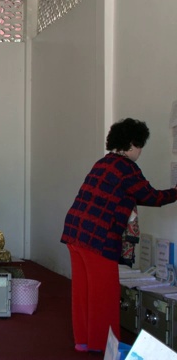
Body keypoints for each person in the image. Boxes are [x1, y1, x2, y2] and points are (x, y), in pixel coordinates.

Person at [61, 118, 177, 353]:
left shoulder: (103, 162)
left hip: (75, 231)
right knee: (104, 292)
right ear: (133, 144)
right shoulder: (126, 167)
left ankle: (83, 341)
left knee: (83, 290)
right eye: (140, 146)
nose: (140, 151)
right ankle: (103, 346)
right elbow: (150, 196)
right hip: (97, 237)